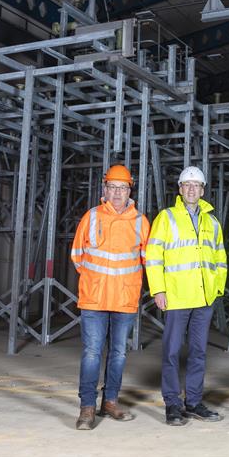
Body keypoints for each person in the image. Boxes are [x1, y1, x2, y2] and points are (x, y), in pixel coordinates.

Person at [145, 166, 228, 426]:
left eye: (196, 185)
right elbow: (153, 256)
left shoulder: (211, 221)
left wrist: (217, 289)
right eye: (187, 185)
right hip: (177, 298)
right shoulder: (166, 217)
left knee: (198, 352)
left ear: (203, 190)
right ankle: (172, 403)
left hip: (204, 299)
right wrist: (158, 289)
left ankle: (193, 401)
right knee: (171, 352)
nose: (192, 189)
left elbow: (221, 258)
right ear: (180, 189)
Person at [70, 165, 150, 430]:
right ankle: (87, 407)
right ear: (104, 189)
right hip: (94, 299)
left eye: (122, 187)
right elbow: (78, 257)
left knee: (118, 353)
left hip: (124, 300)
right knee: (92, 353)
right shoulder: (90, 217)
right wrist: (98, 281)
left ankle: (111, 401)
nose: (117, 192)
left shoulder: (140, 221)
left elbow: (147, 260)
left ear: (130, 191)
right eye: (113, 187)